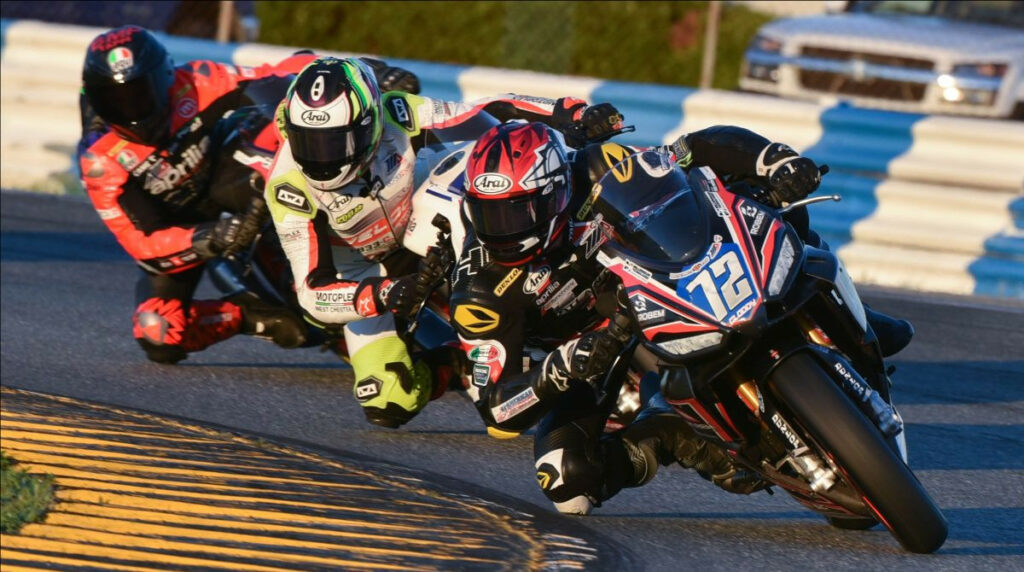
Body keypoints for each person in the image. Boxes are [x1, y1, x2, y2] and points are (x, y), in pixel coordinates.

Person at [449, 120, 914, 514]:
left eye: (516, 212)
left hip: (663, 279)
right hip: (599, 353)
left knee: (763, 201)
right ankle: (677, 437)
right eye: (488, 215)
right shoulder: (479, 289)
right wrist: (563, 366)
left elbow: (690, 153)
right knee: (567, 482)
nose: (503, 230)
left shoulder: (597, 164)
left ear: (554, 191)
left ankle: (848, 314)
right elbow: (496, 406)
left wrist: (775, 161)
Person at [263, 56, 624, 428]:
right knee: (389, 400)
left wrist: (569, 114)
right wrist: (384, 293)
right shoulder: (287, 186)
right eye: (308, 142)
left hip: (425, 216)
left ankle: (536, 307)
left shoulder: (399, 113)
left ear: (369, 122)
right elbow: (311, 293)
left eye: (335, 142)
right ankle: (460, 362)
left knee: (487, 217)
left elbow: (491, 114)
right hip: (365, 268)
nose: (322, 159)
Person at [77, 25, 418, 365]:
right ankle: (248, 316)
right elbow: (141, 242)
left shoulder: (194, 83)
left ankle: (346, 233)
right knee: (158, 332)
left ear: (164, 76)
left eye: (141, 94)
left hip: (226, 178)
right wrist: (209, 237)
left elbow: (277, 75)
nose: (131, 110)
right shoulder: (100, 158)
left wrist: (372, 73)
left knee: (278, 149)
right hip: (180, 231)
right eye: (115, 102)